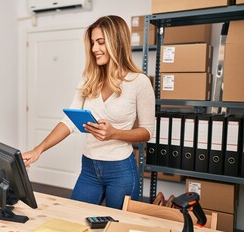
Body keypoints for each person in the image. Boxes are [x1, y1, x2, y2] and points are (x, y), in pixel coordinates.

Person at [22, 15, 155, 210]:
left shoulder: (139, 82)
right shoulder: (89, 78)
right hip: (90, 168)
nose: (94, 49)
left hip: (121, 170)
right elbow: (68, 121)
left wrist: (114, 133)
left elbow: (147, 132)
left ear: (116, 42)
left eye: (100, 42)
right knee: (75, 219)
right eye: (93, 43)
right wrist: (38, 149)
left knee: (116, 226)